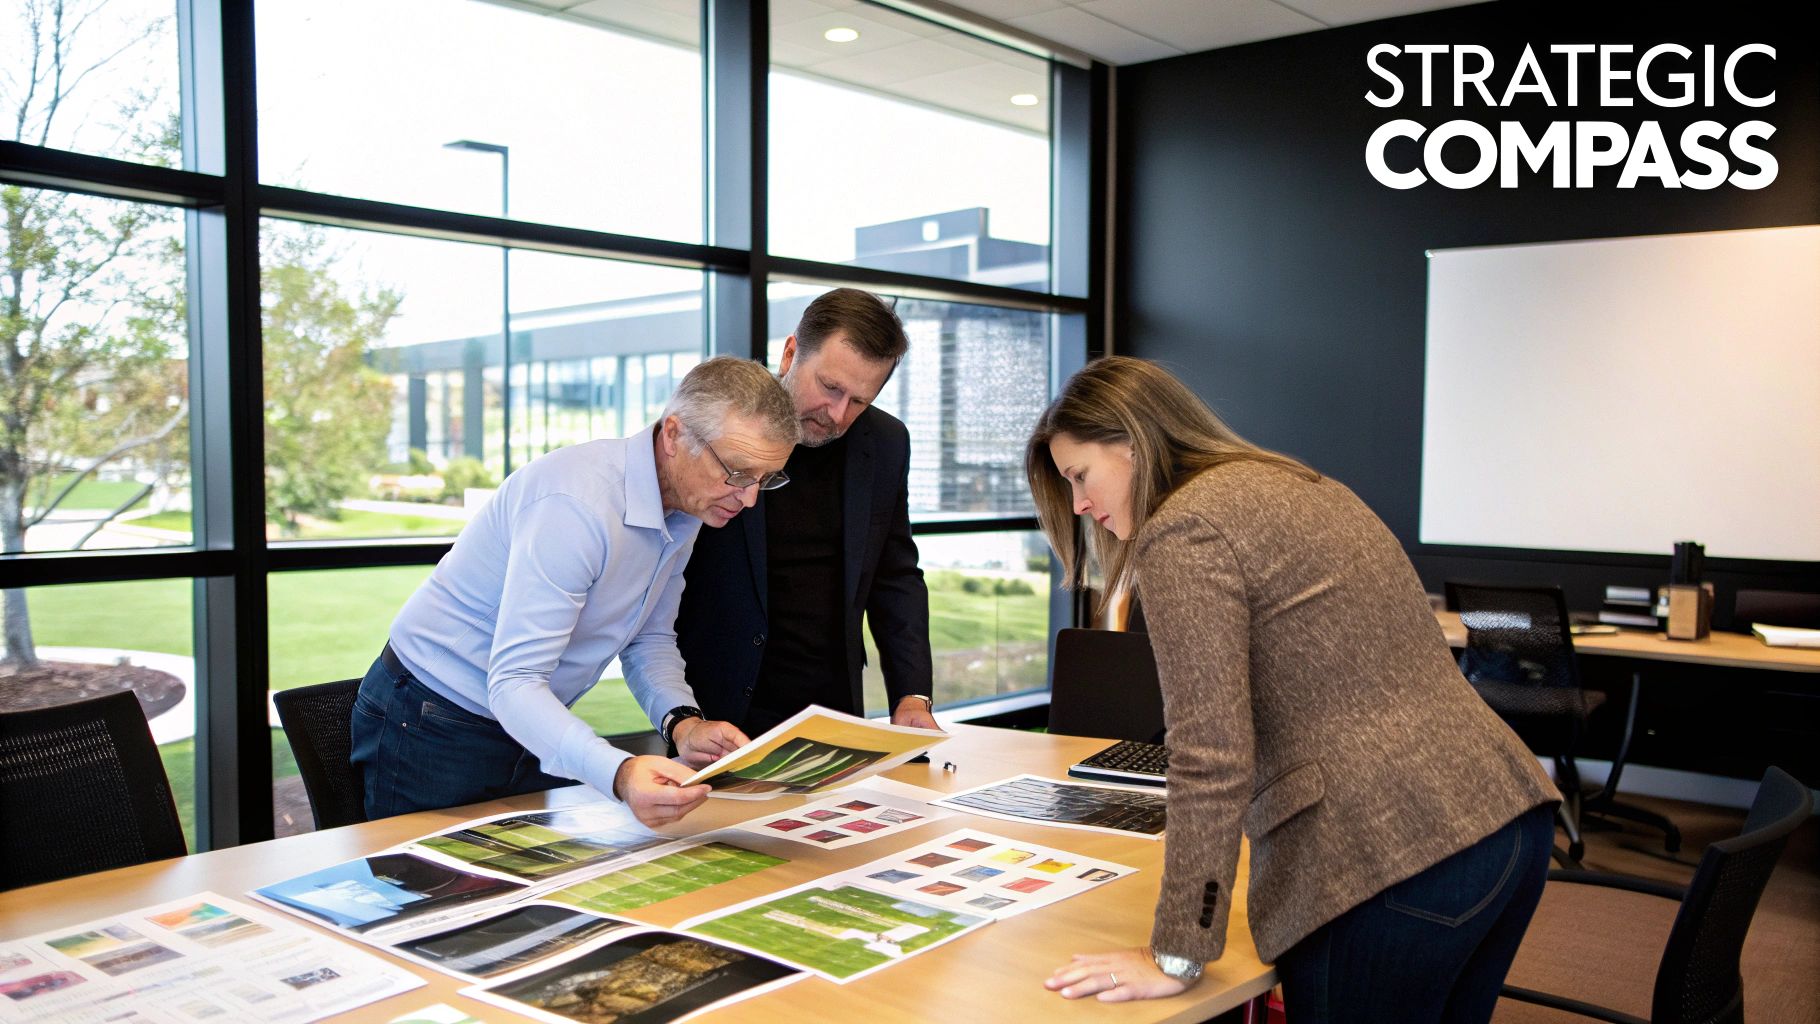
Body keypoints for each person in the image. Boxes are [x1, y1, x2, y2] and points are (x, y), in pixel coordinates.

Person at [1026, 357, 1560, 1021]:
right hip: (1507, 816)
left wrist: (1177, 952)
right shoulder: (1294, 483)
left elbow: (1211, 754)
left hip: (1391, 856)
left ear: (1132, 442)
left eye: (1080, 475)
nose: (1078, 504)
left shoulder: (1183, 529)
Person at [350, 356, 797, 827]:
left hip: (525, 716)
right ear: (673, 435)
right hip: (432, 716)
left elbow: (648, 637)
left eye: (765, 479)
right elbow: (515, 680)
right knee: (435, 895)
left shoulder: (689, 505)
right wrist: (620, 772)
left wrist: (683, 722)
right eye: (739, 472)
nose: (748, 499)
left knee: (529, 891)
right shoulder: (577, 505)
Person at [675, 288, 936, 737]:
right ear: (790, 352)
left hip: (833, 709)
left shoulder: (888, 442)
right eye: (830, 387)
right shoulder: (720, 423)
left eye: (859, 401)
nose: (837, 414)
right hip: (717, 707)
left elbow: (895, 575)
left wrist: (912, 694)